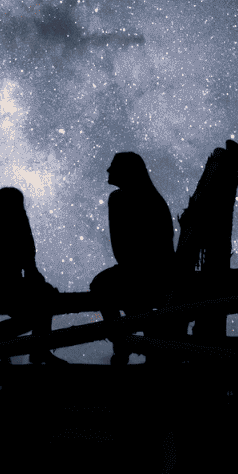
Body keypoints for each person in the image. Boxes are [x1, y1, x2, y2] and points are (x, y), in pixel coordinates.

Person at [87, 151, 175, 364]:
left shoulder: (120, 198)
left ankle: (122, 344)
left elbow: (122, 249)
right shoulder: (153, 197)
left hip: (147, 271)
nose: (108, 170)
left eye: (113, 166)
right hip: (160, 271)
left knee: (101, 285)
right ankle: (141, 341)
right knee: (122, 291)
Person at [0, 187, 65, 364]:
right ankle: (35, 348)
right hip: (0, 286)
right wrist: (40, 285)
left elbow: (27, 267)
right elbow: (28, 267)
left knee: (40, 305)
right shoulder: (13, 226)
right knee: (44, 302)